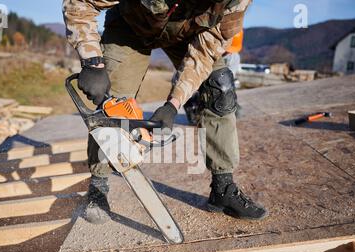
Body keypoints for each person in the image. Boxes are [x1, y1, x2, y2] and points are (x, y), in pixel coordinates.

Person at [63, 0, 268, 224]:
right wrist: (92, 62)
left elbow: (204, 53)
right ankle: (98, 187)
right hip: (131, 24)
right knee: (113, 102)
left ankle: (223, 188)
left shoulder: (235, 3)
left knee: (219, 87)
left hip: (187, 33)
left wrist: (174, 104)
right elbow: (80, 3)